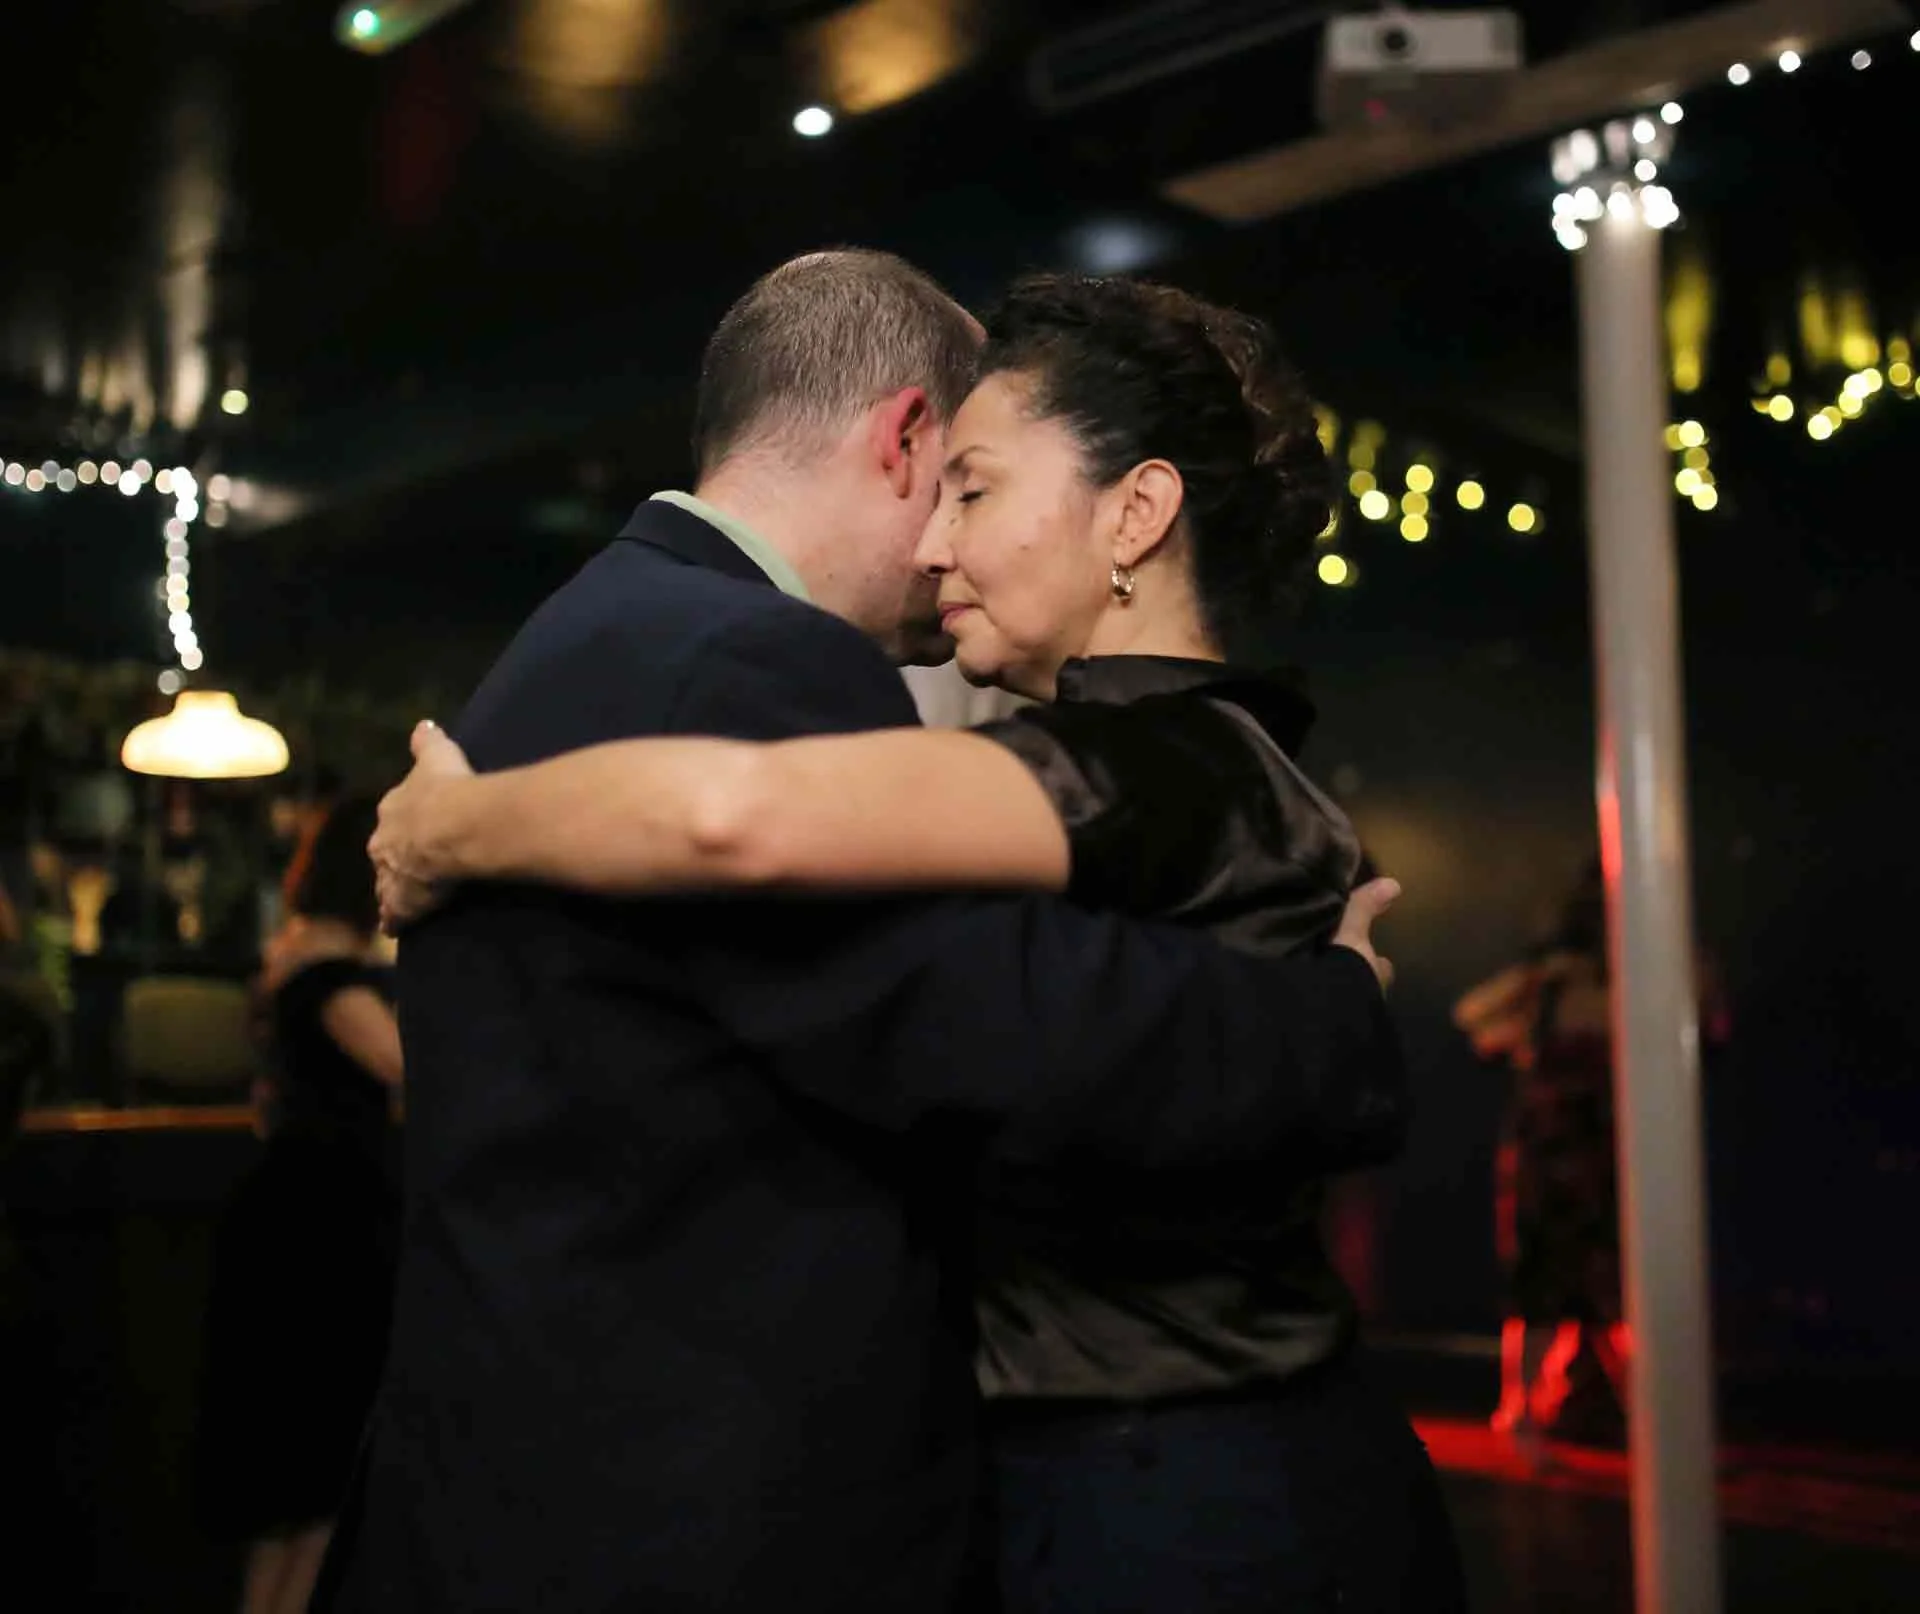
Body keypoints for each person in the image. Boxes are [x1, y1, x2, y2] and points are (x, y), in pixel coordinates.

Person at [316, 251, 1409, 1614]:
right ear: (902, 438)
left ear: (1138, 514)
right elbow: (990, 1008)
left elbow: (803, 878)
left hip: (573, 1487)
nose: (945, 544)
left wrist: (458, 824)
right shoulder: (761, 658)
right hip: (695, 1511)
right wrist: (1339, 1018)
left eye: (979, 494)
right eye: (954, 484)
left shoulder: (584, 628)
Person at [195, 799, 401, 1614]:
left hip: (302, 1217)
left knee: (301, 1497)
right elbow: (406, 1066)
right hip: (321, 1233)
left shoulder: (296, 957)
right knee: (314, 1484)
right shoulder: (326, 976)